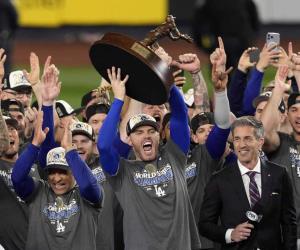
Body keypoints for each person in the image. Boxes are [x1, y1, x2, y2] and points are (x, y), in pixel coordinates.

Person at [99, 67, 201, 250]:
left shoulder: (174, 156)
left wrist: (167, 82)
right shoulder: (122, 172)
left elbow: (179, 115)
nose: (146, 135)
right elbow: (104, 146)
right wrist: (118, 100)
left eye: (151, 131)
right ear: (129, 140)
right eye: (139, 132)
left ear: (159, 134)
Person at [199, 115, 297, 249]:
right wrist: (230, 234)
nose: (242, 145)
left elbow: (289, 223)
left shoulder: (279, 174)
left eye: (248, 138)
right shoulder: (219, 180)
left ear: (260, 142)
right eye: (237, 139)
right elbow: (205, 225)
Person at [11, 110, 102, 250]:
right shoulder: (38, 192)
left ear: (74, 172)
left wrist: (70, 151)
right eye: (52, 172)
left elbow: (89, 186)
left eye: (63, 172)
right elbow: (17, 178)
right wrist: (35, 145)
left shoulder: (87, 196)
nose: (57, 178)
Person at [261, 63, 300, 249]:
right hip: (285, 235)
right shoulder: (282, 143)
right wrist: (277, 89)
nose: (299, 115)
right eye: (293, 110)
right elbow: (263, 132)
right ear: (287, 116)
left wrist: (298, 74)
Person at [0, 0, 18, 79]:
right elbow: (14, 16)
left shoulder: (5, 2)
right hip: (4, 34)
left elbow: (14, 16)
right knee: (5, 61)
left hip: (4, 35)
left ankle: (5, 83)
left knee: (5, 61)